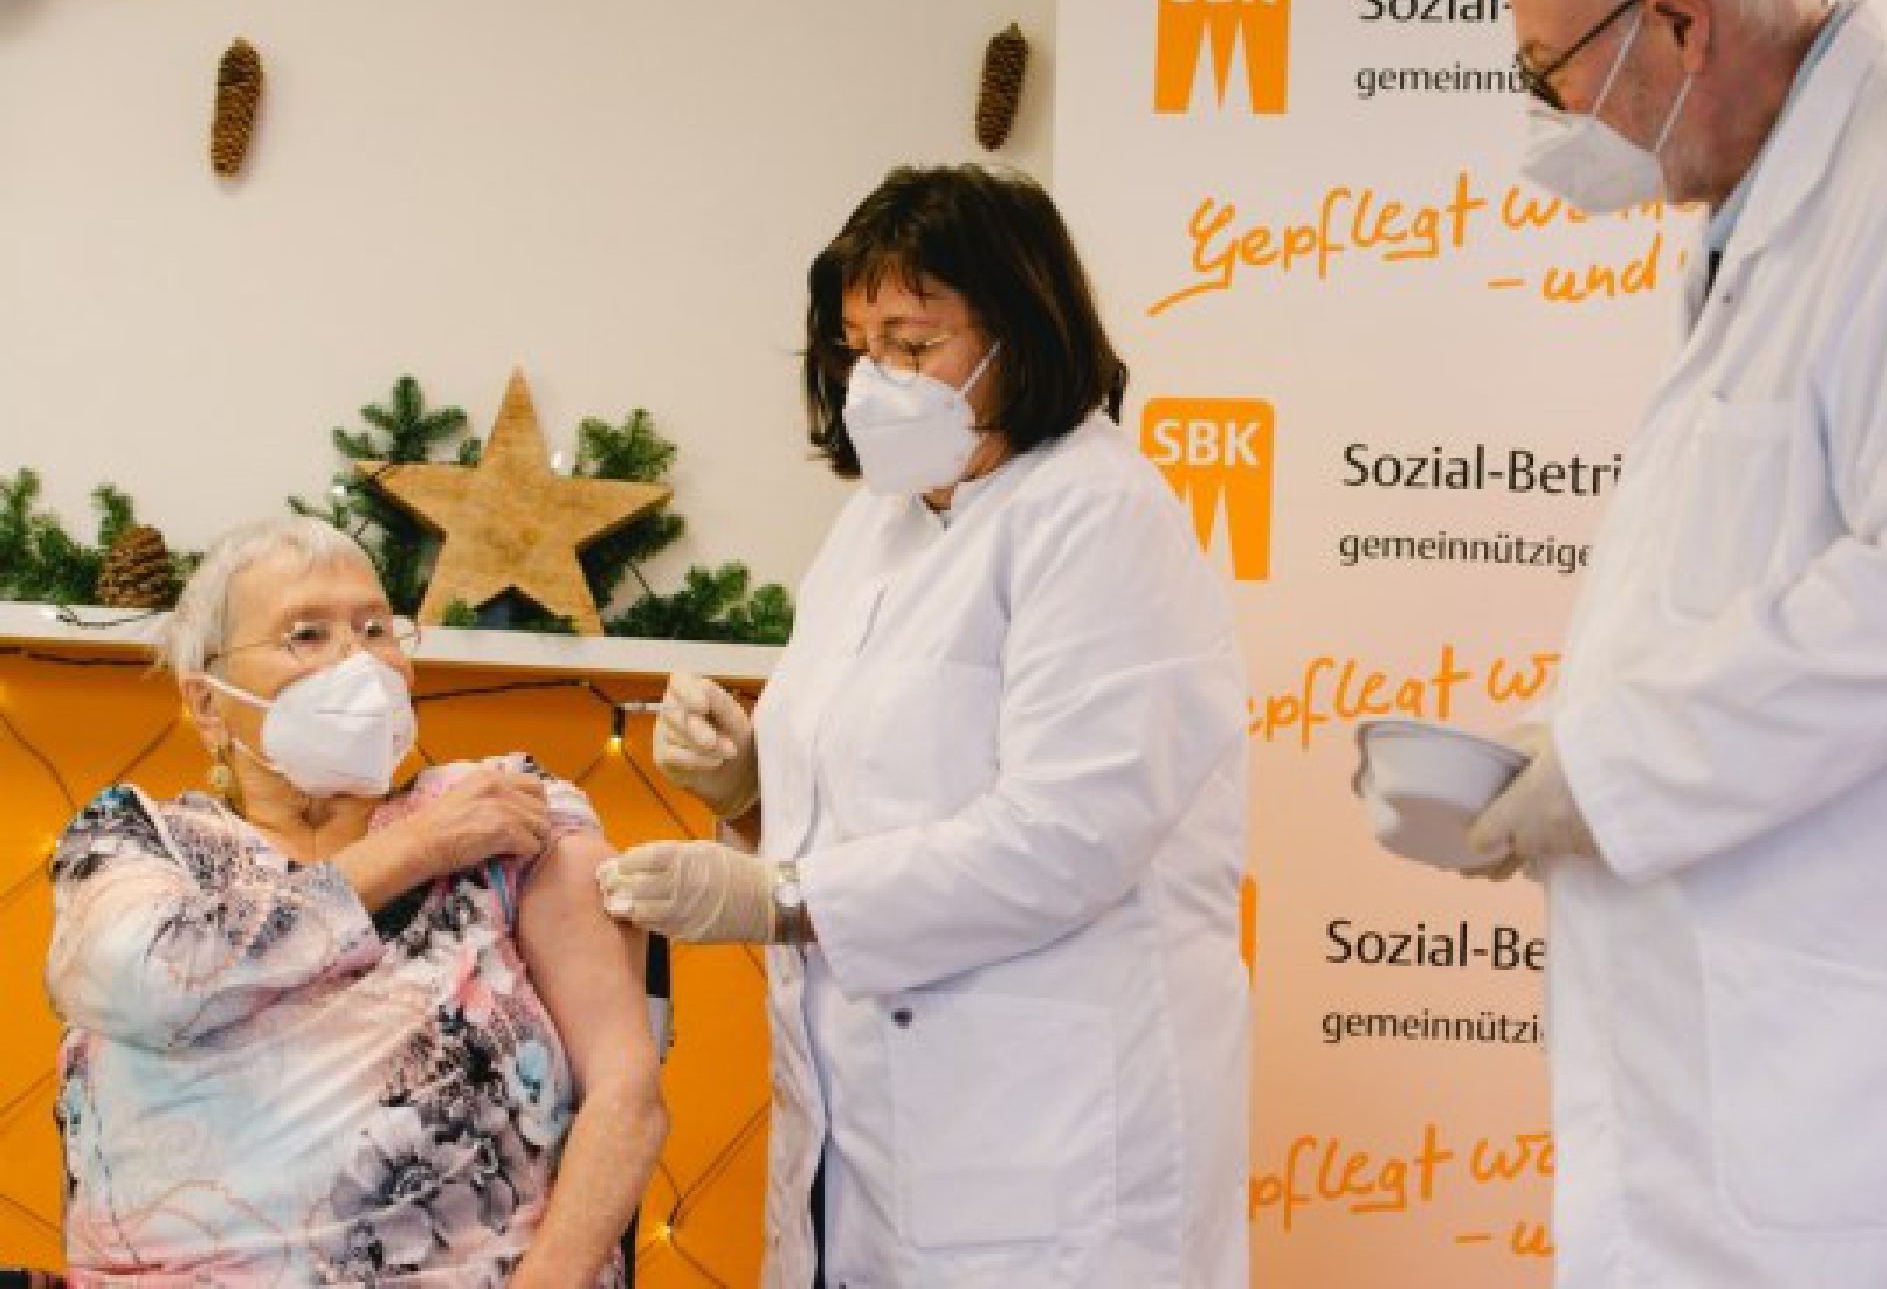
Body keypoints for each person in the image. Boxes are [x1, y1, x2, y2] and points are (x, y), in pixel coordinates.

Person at [597, 165, 1250, 1287]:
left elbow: (1067, 835)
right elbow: (878, 791)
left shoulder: (1100, 513)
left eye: (913, 343)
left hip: (1041, 1138)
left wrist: (781, 898)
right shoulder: (878, 524)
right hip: (865, 1129)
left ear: (1021, 333)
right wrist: (750, 791)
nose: (874, 380)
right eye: (857, 346)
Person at [1468, 0, 1887, 1284]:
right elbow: (1726, 582)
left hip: (1840, 1101)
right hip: (1737, 1077)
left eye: (1548, 71)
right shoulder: (1769, 216)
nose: (1547, 113)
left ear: (1677, 25)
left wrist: (1613, 766)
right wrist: (1572, 746)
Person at [47, 516, 664, 1285]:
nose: (358, 659)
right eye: (306, 634)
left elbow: (626, 1090)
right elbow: (144, 983)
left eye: (376, 628)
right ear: (207, 704)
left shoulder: (504, 806)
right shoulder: (134, 837)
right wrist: (416, 847)